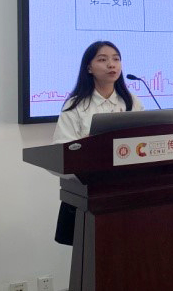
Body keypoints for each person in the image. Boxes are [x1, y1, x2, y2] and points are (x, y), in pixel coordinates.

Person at [53, 41, 144, 245]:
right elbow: (61, 149)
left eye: (116, 59)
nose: (111, 64)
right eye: (102, 59)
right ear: (89, 68)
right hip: (89, 192)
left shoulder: (131, 102)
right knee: (91, 254)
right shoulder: (75, 105)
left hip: (127, 190)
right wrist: (86, 146)